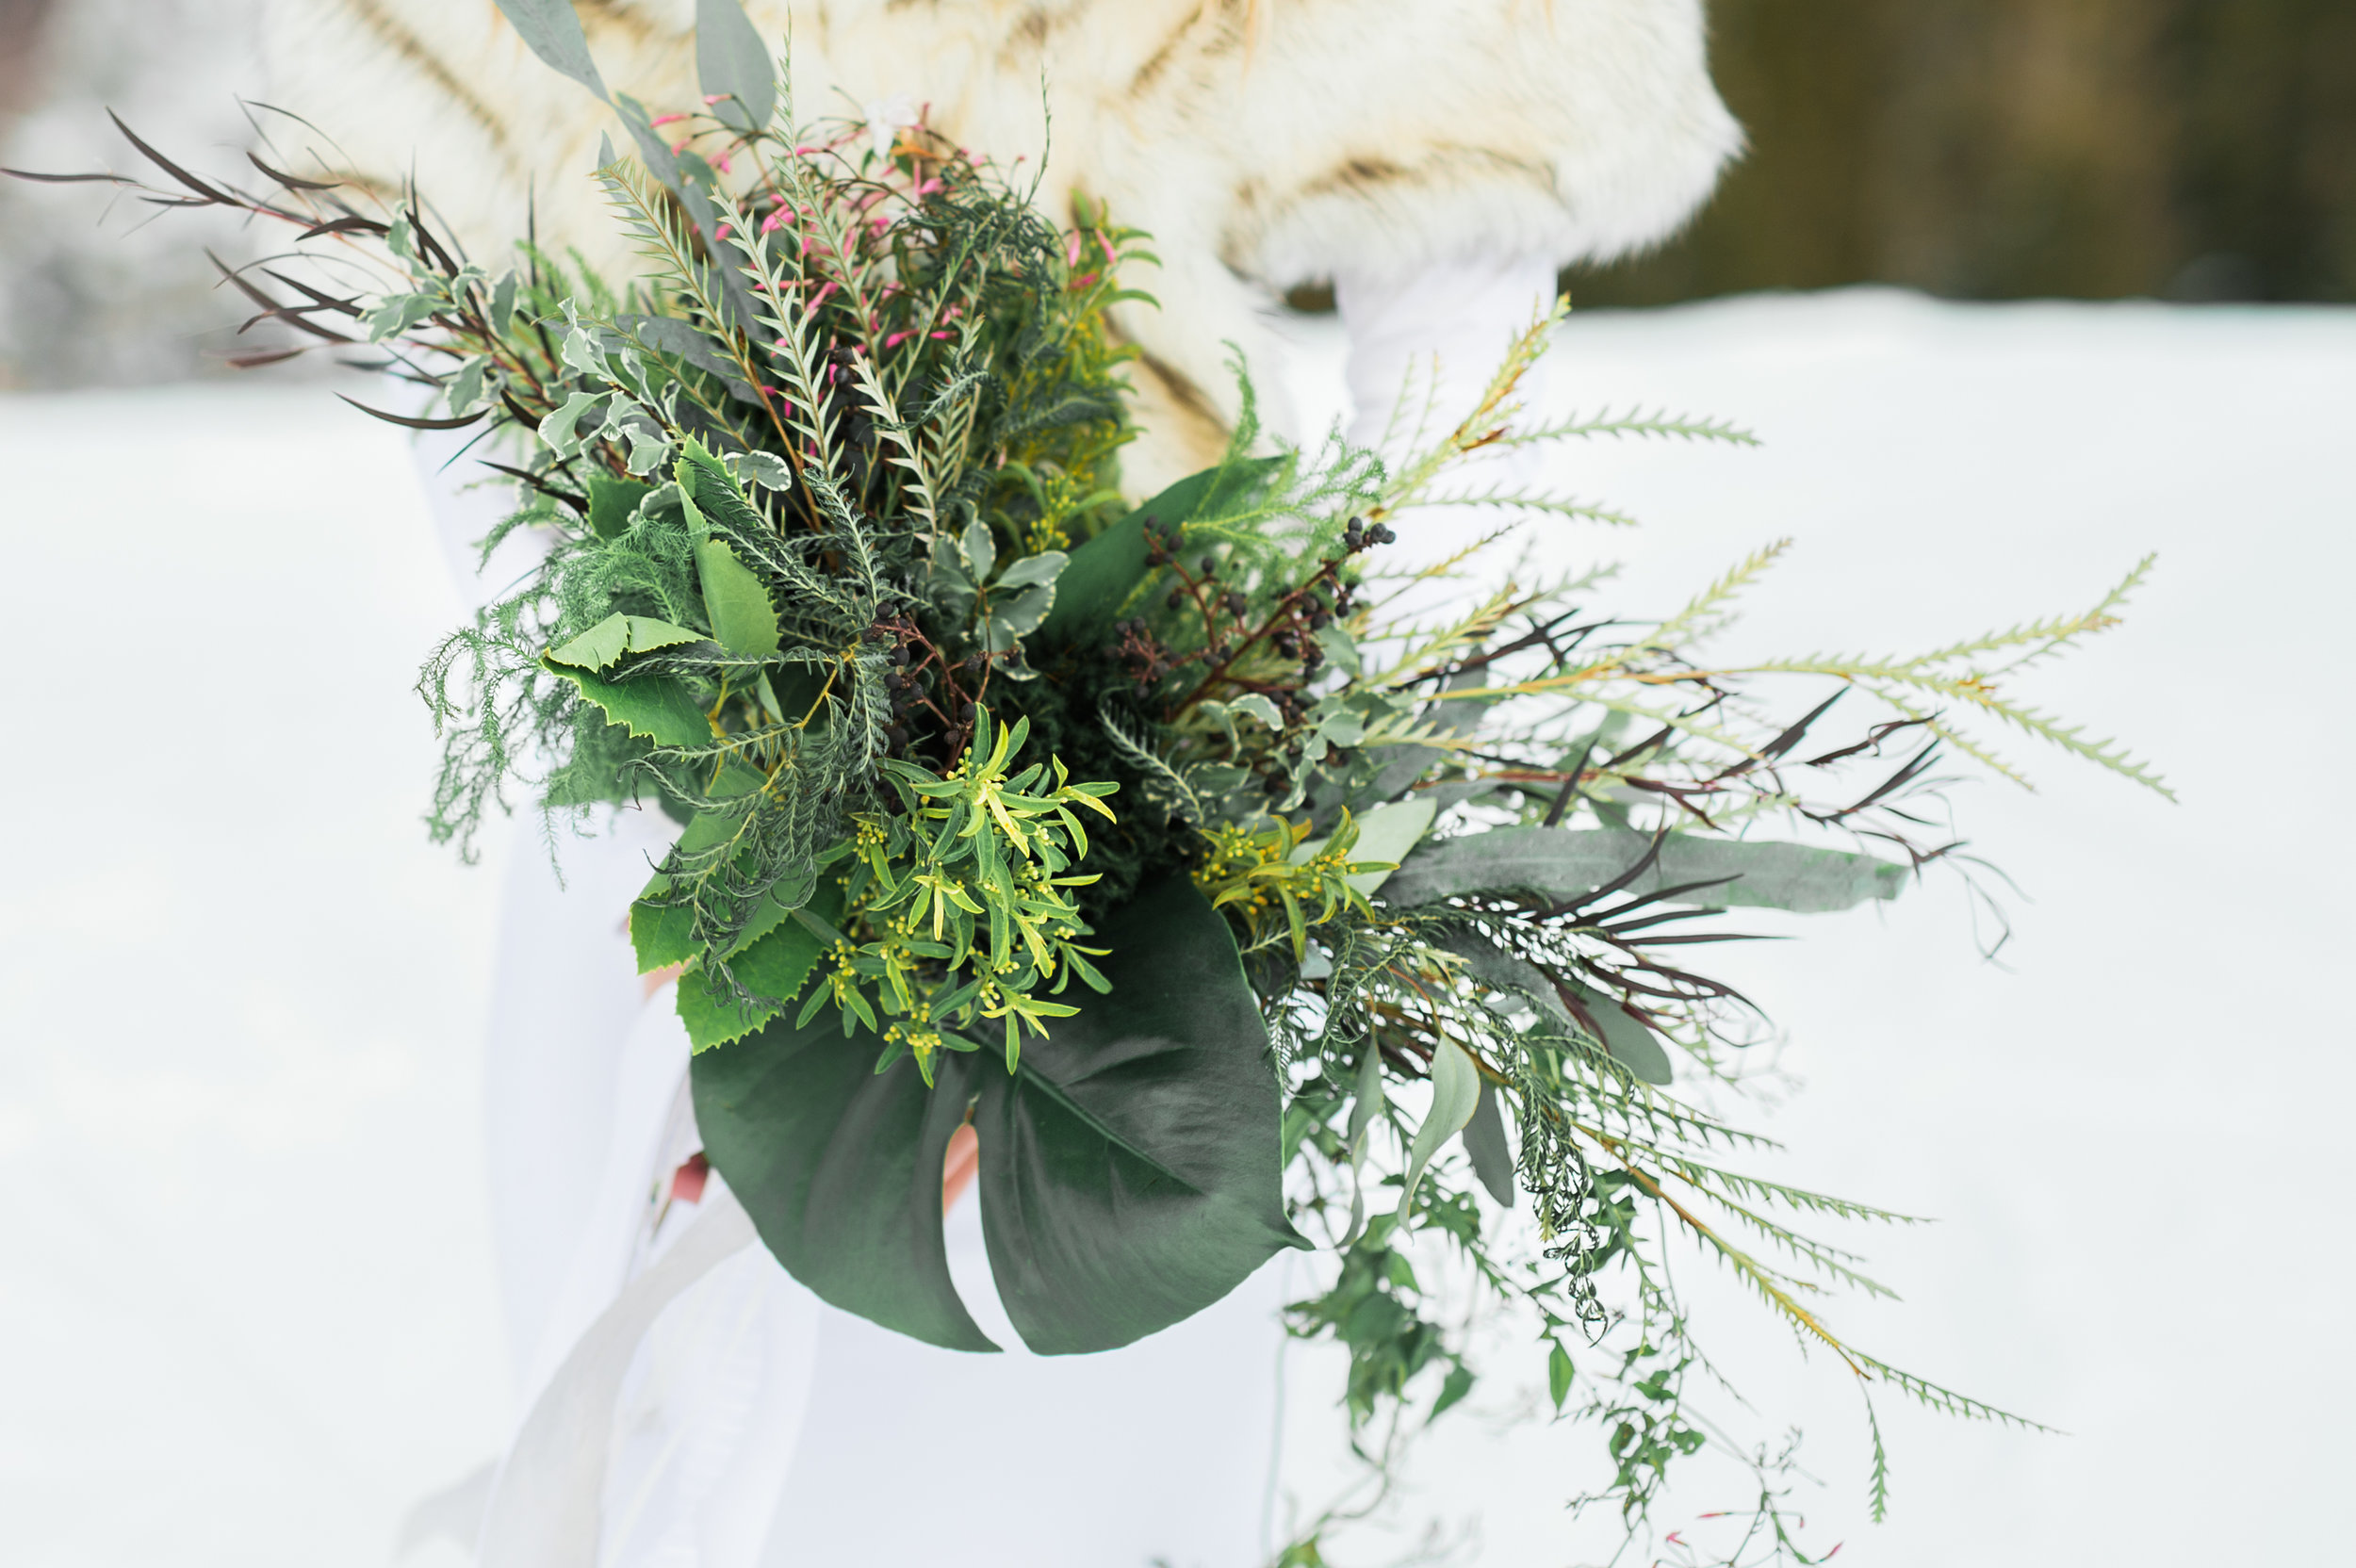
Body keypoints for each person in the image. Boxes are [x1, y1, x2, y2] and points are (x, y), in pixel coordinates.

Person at [306, 3, 1742, 1561]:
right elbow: (443, 275)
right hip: (679, 856)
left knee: (1057, 1493)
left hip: (1138, 866)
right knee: (677, 1468)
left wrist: (1354, 782)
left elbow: (1473, 218)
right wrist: (725, 792)